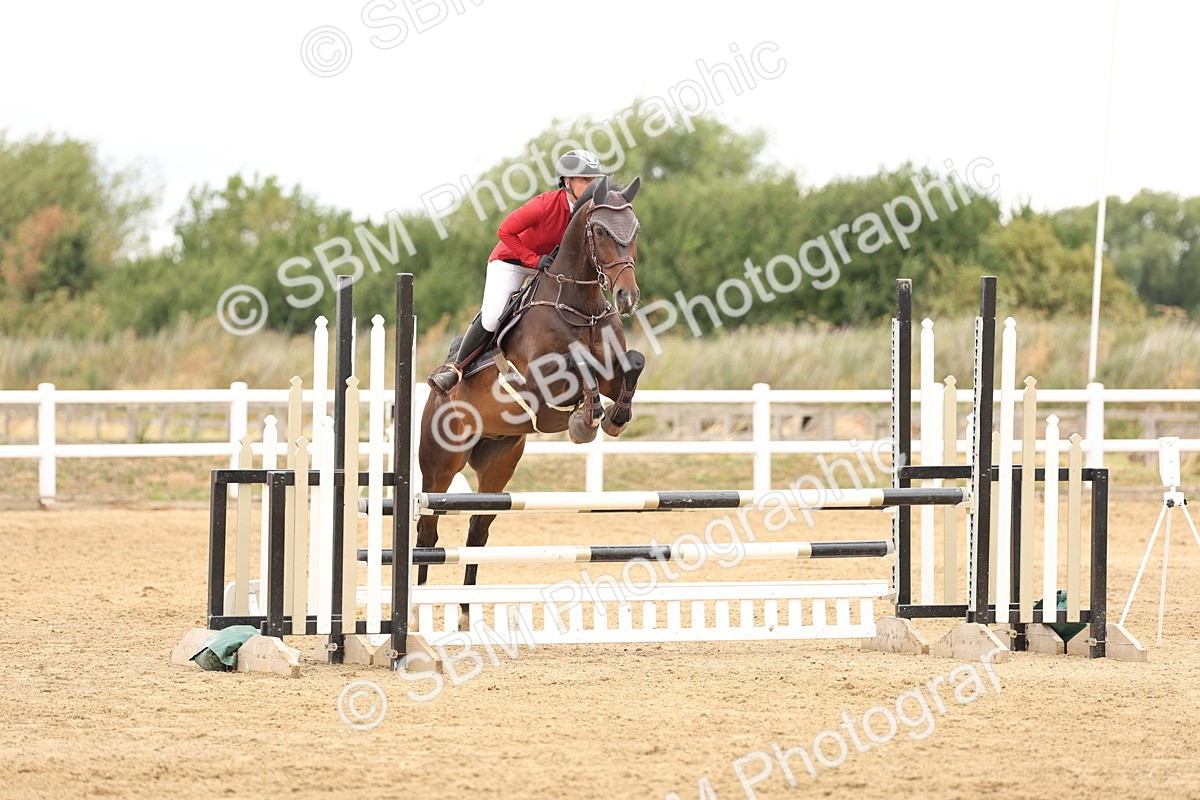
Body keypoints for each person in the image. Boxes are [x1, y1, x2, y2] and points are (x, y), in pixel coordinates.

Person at [427, 149, 605, 394]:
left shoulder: (590, 212)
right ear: (567, 182)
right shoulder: (543, 206)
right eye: (585, 179)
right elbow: (505, 231)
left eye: (593, 180)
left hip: (548, 268)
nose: (591, 185)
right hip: (511, 261)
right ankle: (456, 367)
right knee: (493, 316)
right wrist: (532, 259)